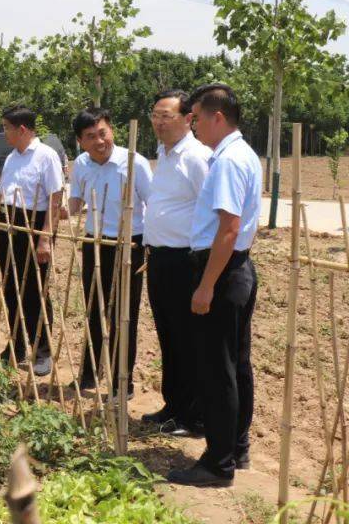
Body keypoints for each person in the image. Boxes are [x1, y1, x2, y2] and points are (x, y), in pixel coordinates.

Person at [168, 83, 262, 488]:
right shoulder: (244, 154)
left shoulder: (225, 161)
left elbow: (228, 228)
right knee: (237, 365)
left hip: (221, 269)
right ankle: (236, 448)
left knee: (216, 370)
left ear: (216, 117)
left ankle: (217, 463)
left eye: (197, 118)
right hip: (237, 267)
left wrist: (206, 285)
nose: (194, 126)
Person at [66, 107, 152, 399]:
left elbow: (152, 204)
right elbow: (75, 202)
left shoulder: (133, 163)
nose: (99, 140)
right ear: (81, 141)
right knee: (94, 309)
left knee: (123, 316)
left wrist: (151, 245)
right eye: (91, 136)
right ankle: (89, 374)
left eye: (102, 132)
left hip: (129, 244)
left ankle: (121, 383)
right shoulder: (81, 164)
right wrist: (58, 212)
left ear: (111, 130)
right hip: (94, 242)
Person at [141, 89, 211, 436]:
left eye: (166, 115)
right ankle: (174, 405)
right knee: (168, 335)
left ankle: (195, 415)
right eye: (155, 115)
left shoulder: (197, 157)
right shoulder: (164, 154)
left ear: (189, 119)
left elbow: (210, 208)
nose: (158, 122)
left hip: (185, 260)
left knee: (189, 338)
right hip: (160, 258)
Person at [0, 104, 64, 377]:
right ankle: (17, 345)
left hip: (33, 225)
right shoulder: (12, 157)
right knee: (10, 287)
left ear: (21, 129)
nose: (4, 133)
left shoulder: (46, 156)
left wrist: (46, 237)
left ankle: (43, 351)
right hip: (7, 222)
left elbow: (55, 197)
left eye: (6, 128)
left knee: (36, 290)